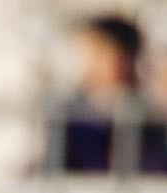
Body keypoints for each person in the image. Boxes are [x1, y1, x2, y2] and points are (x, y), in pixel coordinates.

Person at [58, 14, 167, 176]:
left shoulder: (151, 117)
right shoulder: (71, 116)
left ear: (127, 57)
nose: (90, 62)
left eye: (100, 52)